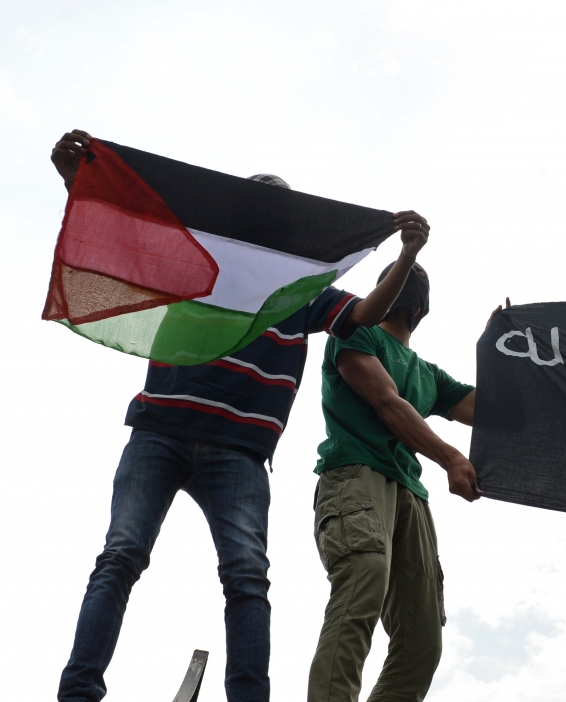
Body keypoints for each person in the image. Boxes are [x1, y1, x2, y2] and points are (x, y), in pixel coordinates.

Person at [50, 129, 432, 702]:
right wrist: (77, 180)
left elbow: (365, 313)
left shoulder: (302, 290)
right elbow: (124, 239)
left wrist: (406, 255)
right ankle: (78, 691)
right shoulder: (195, 262)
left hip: (240, 451)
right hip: (161, 429)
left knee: (247, 578)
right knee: (121, 557)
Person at [307, 269, 499, 702]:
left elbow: (489, 409)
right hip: (357, 475)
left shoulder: (428, 374)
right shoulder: (354, 333)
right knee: (363, 579)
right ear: (421, 309)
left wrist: (499, 352)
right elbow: (387, 403)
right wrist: (450, 456)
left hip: (411, 495)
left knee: (422, 639)